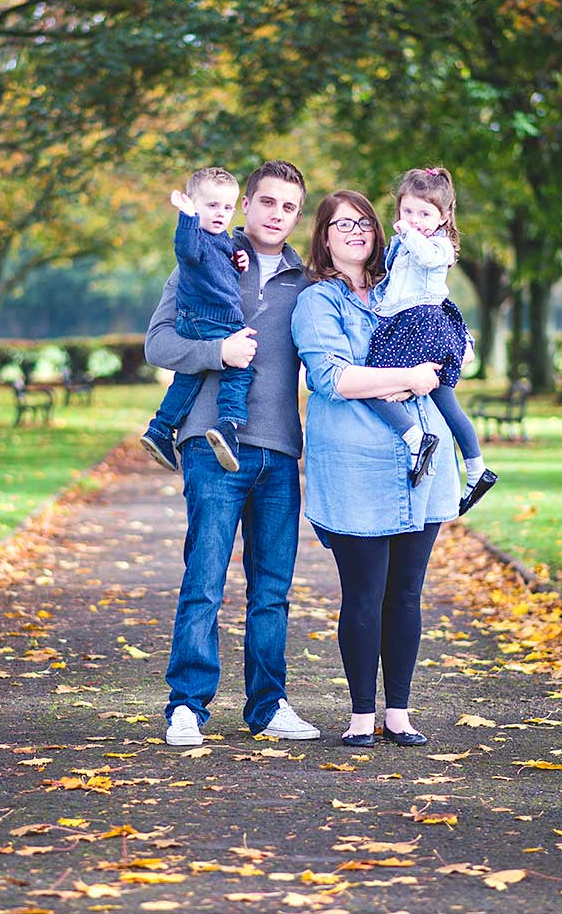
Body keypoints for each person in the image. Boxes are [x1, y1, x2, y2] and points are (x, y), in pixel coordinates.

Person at [144, 159, 322, 747]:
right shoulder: (207, 254)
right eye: (267, 202)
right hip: (211, 446)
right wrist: (217, 351)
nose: (277, 215)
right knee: (206, 579)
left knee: (272, 590)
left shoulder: (309, 279)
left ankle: (269, 706)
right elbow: (158, 342)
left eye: (290, 207)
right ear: (247, 203)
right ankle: (187, 706)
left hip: (279, 450)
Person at [291, 189, 459, 749]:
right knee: (363, 594)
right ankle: (362, 713)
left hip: (422, 465)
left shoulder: (402, 286)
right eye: (342, 224)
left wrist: (440, 365)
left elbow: (451, 347)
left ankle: (398, 713)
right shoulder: (319, 301)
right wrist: (412, 377)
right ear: (324, 236)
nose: (355, 231)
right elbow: (334, 379)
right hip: (354, 466)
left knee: (407, 593)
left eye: (363, 222)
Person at [362, 167, 497, 515]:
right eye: (407, 212)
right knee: (445, 402)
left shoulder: (439, 245)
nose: (415, 220)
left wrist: (408, 234)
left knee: (374, 387)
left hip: (420, 324)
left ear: (443, 216)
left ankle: (416, 439)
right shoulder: (402, 245)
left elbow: (427, 258)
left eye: (425, 213)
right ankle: (477, 469)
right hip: (403, 322)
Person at [140, 167, 253, 473]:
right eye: (212, 205)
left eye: (227, 207)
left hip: (204, 318)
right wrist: (187, 216)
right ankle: (228, 425)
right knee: (240, 369)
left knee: (189, 377)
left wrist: (237, 260)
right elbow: (188, 251)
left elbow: (218, 265)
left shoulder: (221, 240)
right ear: (193, 203)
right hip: (209, 318)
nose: (221, 214)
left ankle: (161, 428)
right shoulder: (194, 236)